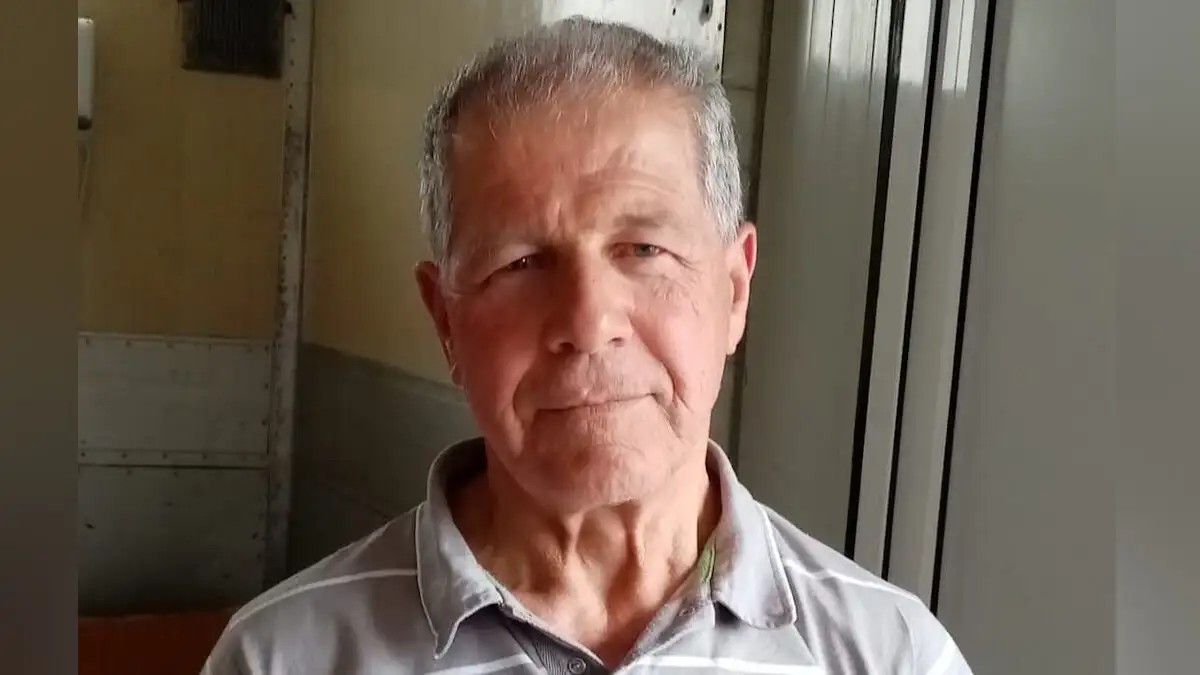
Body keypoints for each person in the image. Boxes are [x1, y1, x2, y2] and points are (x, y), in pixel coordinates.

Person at [202, 18, 972, 675]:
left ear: (734, 290)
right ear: (446, 321)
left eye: (645, 250)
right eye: (520, 263)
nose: (589, 320)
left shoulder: (891, 654)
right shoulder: (282, 657)